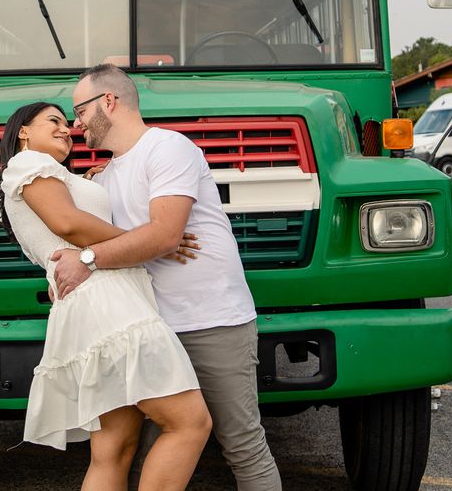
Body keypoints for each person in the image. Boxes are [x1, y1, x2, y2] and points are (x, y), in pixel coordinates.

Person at [53, 64, 282, 491]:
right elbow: (141, 236)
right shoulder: (109, 173)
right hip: (152, 329)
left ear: (109, 101)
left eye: (79, 110)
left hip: (213, 321)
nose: (75, 123)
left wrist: (88, 258)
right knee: (156, 451)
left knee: (243, 447)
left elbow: (163, 234)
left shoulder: (169, 148)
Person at [0, 101, 211, 491]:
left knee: (114, 449)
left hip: (95, 303)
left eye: (67, 122)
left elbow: (72, 217)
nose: (66, 129)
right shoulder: (26, 165)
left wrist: (93, 182)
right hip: (108, 303)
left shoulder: (56, 176)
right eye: (53, 121)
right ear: (23, 132)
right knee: (190, 423)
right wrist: (154, 241)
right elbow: (68, 224)